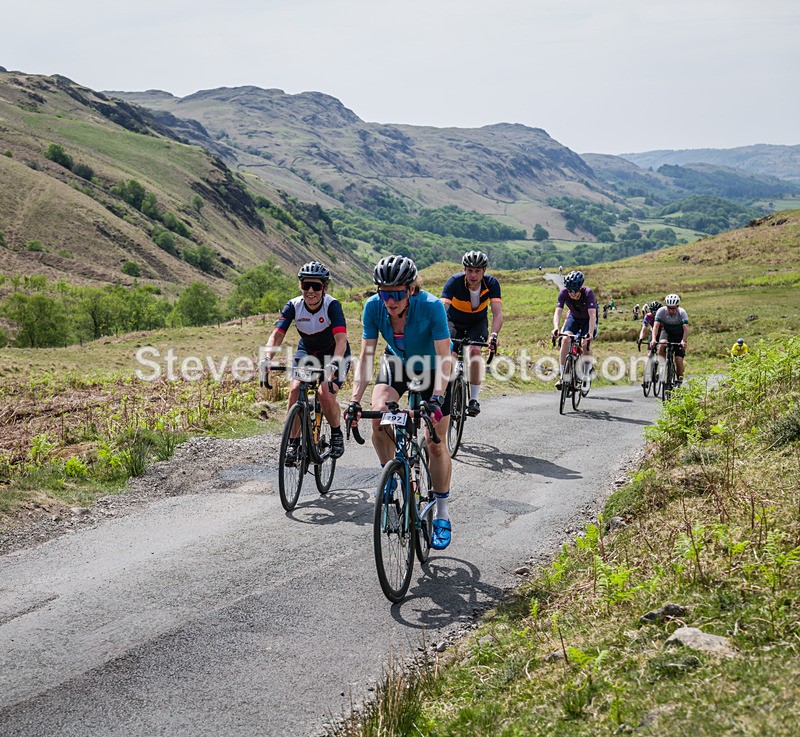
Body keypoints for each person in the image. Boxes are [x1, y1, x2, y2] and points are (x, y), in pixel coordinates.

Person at [347, 255, 455, 550]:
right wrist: (355, 401)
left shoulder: (431, 307)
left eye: (396, 294)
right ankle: (391, 475)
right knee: (378, 417)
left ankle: (442, 513)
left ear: (411, 290)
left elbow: (446, 358)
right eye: (385, 293)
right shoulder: (373, 308)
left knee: (435, 441)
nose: (390, 301)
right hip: (396, 362)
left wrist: (437, 398)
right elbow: (367, 357)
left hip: (433, 367)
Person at [261, 261, 350, 462]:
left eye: (316, 286)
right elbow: (276, 336)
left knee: (325, 393)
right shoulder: (293, 305)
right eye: (305, 285)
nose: (310, 291)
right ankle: (293, 443)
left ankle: (336, 434)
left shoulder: (332, 305)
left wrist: (335, 363)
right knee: (295, 391)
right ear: (300, 286)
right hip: (308, 352)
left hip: (334, 353)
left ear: (324, 288)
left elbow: (341, 340)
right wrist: (267, 358)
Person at [440, 250, 503, 416]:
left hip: (477, 322)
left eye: (477, 271)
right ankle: (443, 393)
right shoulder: (454, 282)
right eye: (469, 271)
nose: (473, 275)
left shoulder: (492, 284)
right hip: (454, 321)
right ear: (464, 270)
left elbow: (497, 314)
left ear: (484, 271)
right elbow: (442, 308)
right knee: (449, 354)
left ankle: (474, 399)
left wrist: (494, 335)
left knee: (475, 350)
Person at [551, 270, 598, 391]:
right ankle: (562, 376)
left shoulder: (588, 293)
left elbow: (592, 315)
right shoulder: (563, 293)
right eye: (569, 290)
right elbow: (558, 311)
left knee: (584, 343)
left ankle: (587, 373)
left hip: (588, 320)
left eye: (574, 291)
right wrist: (556, 327)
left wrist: (591, 333)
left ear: (580, 287)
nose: (571, 293)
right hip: (574, 318)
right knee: (565, 339)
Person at [650, 294, 689, 388]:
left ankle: (679, 381)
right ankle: (662, 367)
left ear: (677, 307)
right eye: (669, 308)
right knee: (661, 344)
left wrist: (683, 341)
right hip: (667, 332)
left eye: (673, 308)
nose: (671, 310)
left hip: (679, 335)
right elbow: (655, 327)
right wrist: (654, 339)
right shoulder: (661, 311)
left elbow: (686, 329)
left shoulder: (682, 312)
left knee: (678, 360)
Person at [638, 301, 661, 390]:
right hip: (653, 334)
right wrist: (640, 339)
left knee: (660, 351)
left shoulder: (662, 316)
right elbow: (644, 328)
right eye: (653, 312)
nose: (654, 314)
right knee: (649, 354)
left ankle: (657, 368)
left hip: (662, 333)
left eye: (656, 312)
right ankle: (647, 377)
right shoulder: (648, 316)